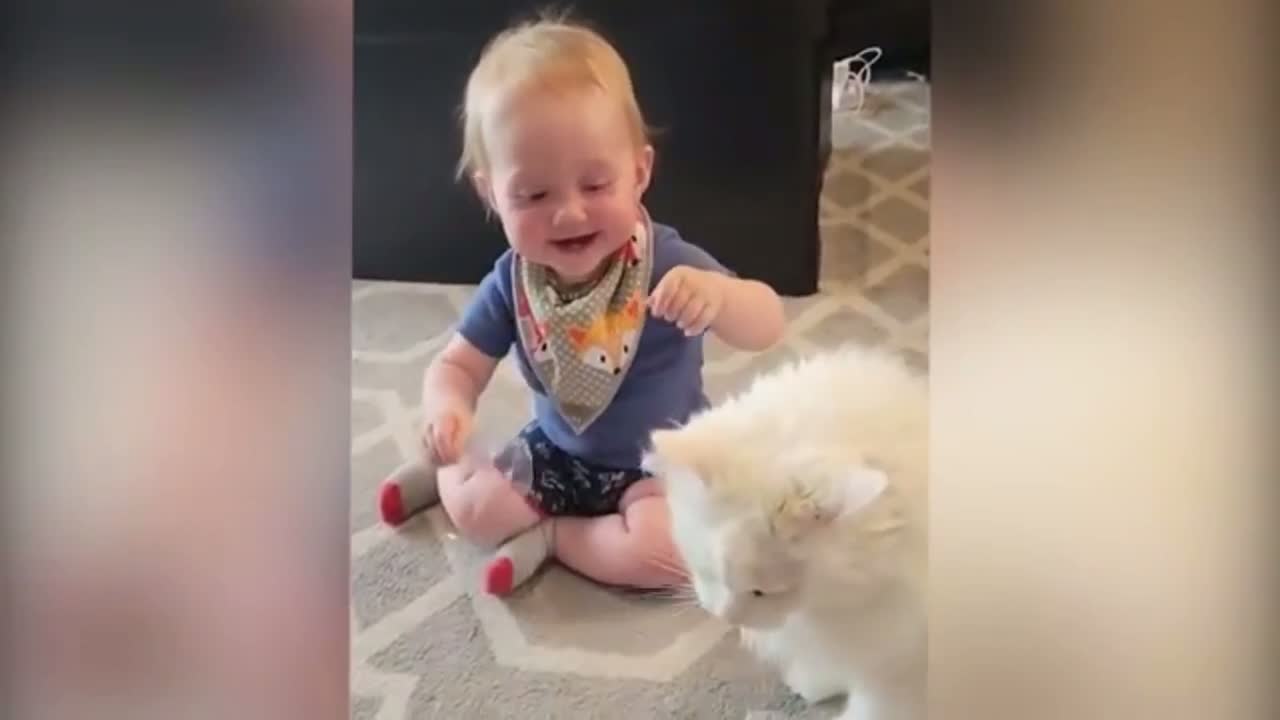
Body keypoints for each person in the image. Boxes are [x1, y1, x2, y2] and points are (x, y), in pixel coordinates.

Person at [377, 14, 786, 596]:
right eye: (534, 195)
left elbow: (767, 324)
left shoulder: (665, 261)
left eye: (595, 185)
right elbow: (457, 366)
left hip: (657, 458)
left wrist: (720, 297)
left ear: (639, 172)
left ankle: (556, 539)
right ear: (490, 193)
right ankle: (442, 466)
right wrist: (448, 413)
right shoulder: (514, 281)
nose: (569, 213)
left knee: (671, 558)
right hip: (558, 450)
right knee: (474, 512)